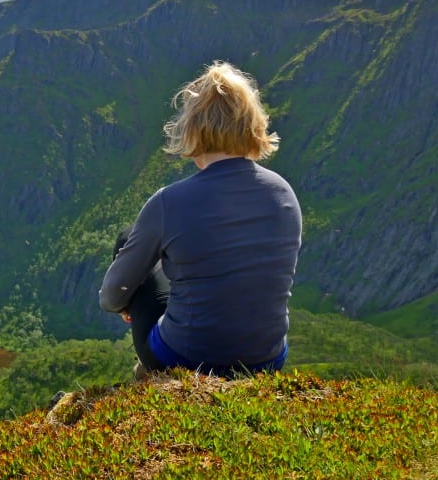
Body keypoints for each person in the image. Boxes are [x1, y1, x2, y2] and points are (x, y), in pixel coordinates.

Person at [99, 61, 301, 379]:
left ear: (193, 129)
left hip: (185, 357)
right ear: (252, 125)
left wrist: (129, 306)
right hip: (267, 360)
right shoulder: (284, 194)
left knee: (130, 239)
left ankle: (150, 375)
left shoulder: (168, 202)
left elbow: (110, 297)